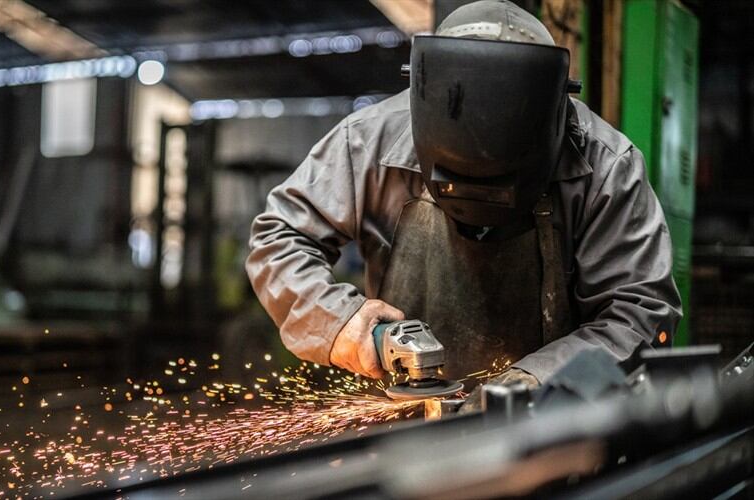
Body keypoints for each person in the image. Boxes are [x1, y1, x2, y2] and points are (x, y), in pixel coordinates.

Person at [245, 0, 681, 411]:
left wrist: (535, 382)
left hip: (549, 422)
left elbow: (640, 311)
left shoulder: (605, 165)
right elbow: (278, 239)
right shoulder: (369, 141)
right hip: (403, 417)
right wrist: (353, 328)